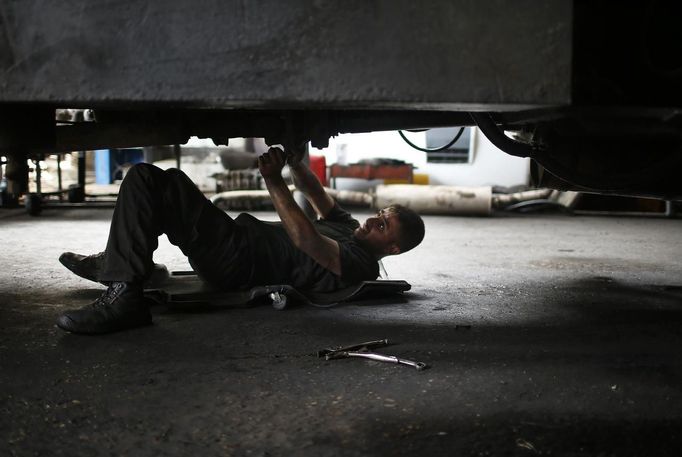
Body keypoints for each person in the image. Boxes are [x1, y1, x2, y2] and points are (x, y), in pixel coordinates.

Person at [56, 146, 425, 334]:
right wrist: (296, 160)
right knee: (170, 182)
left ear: (391, 248)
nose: (374, 220)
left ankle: (124, 296)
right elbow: (316, 195)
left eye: (383, 226)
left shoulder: (359, 263)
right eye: (381, 214)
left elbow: (306, 239)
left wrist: (273, 179)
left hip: (236, 262)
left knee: (146, 180)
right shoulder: (348, 228)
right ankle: (129, 266)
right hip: (237, 241)